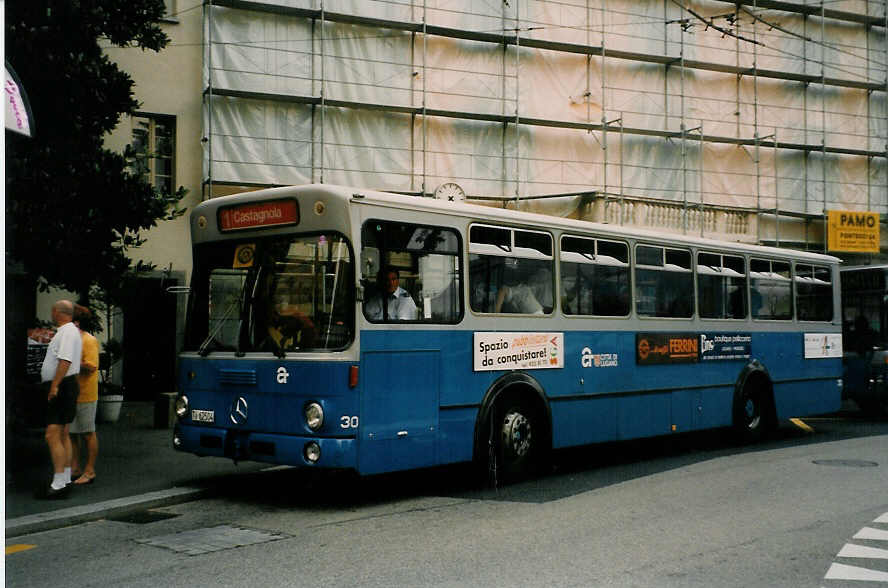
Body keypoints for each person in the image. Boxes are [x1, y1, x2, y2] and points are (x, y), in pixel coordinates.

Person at [39, 300, 82, 498]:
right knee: (64, 433)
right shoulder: (71, 331)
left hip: (62, 385)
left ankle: (58, 484)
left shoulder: (66, 332)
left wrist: (54, 385)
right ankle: (64, 479)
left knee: (52, 434)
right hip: (67, 385)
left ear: (57, 312)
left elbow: (65, 360)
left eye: (53, 311)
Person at [69, 304, 99, 485]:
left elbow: (91, 366)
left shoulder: (88, 340)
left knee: (88, 433)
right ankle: (75, 468)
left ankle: (90, 470)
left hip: (86, 393)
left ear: (76, 323)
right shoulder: (73, 341)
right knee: (72, 433)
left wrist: (71, 362)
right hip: (73, 393)